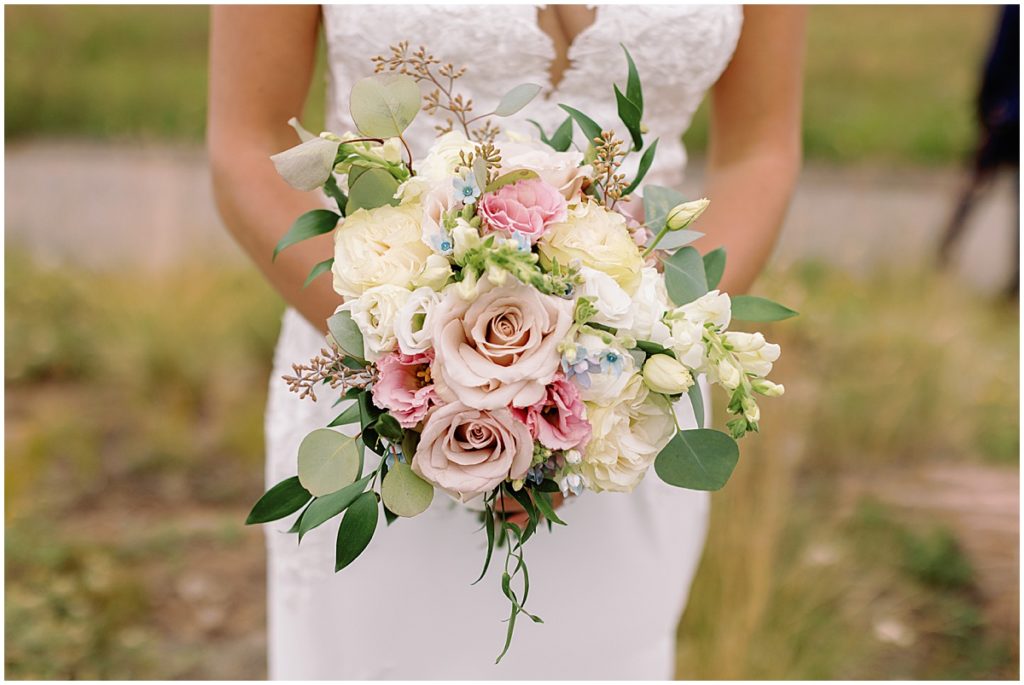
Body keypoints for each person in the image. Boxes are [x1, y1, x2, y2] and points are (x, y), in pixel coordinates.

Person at [208, 5, 804, 679]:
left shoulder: (628, 384)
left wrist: (638, 353)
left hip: (622, 414)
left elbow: (761, 151)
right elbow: (244, 146)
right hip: (379, 404)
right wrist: (436, 376)